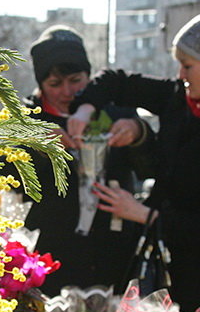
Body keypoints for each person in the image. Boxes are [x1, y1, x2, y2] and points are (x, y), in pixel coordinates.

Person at [66, 11, 200, 312]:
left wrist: (143, 213)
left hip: (198, 279)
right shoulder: (178, 96)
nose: (181, 75)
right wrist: (85, 110)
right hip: (150, 265)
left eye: (187, 66)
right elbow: (116, 81)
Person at [17, 25, 154, 295]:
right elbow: (8, 181)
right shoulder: (27, 119)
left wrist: (139, 134)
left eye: (76, 80)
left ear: (89, 76)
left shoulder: (115, 110)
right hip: (49, 256)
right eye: (55, 84)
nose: (67, 92)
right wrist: (38, 147)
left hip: (114, 251)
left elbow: (152, 167)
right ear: (41, 84)